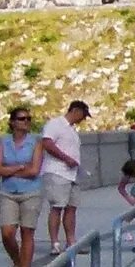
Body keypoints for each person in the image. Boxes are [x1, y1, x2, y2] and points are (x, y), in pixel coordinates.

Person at [0, 104, 44, 267]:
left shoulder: (35, 143)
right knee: (7, 233)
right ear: (12, 122)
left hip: (31, 192)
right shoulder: (3, 143)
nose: (26, 122)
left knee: (27, 232)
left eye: (28, 119)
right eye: (22, 119)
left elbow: (34, 170)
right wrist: (20, 167)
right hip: (8, 192)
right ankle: (17, 260)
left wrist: (10, 169)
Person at [39, 99, 91, 251]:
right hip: (57, 171)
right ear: (75, 111)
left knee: (71, 207)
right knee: (57, 207)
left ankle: (71, 241)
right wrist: (65, 158)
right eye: (83, 115)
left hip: (72, 174)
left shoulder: (72, 130)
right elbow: (47, 143)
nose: (83, 119)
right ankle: (55, 243)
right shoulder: (55, 124)